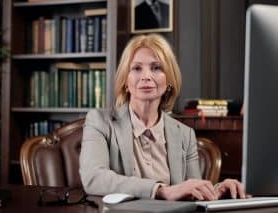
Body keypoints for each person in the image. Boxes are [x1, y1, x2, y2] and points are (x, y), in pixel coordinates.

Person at [79, 34, 246, 200]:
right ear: (125, 80)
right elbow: (94, 178)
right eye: (137, 68)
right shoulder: (100, 122)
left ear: (169, 81)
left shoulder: (184, 134)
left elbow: (194, 191)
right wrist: (160, 190)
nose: (146, 76)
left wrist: (218, 190)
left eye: (156, 68)